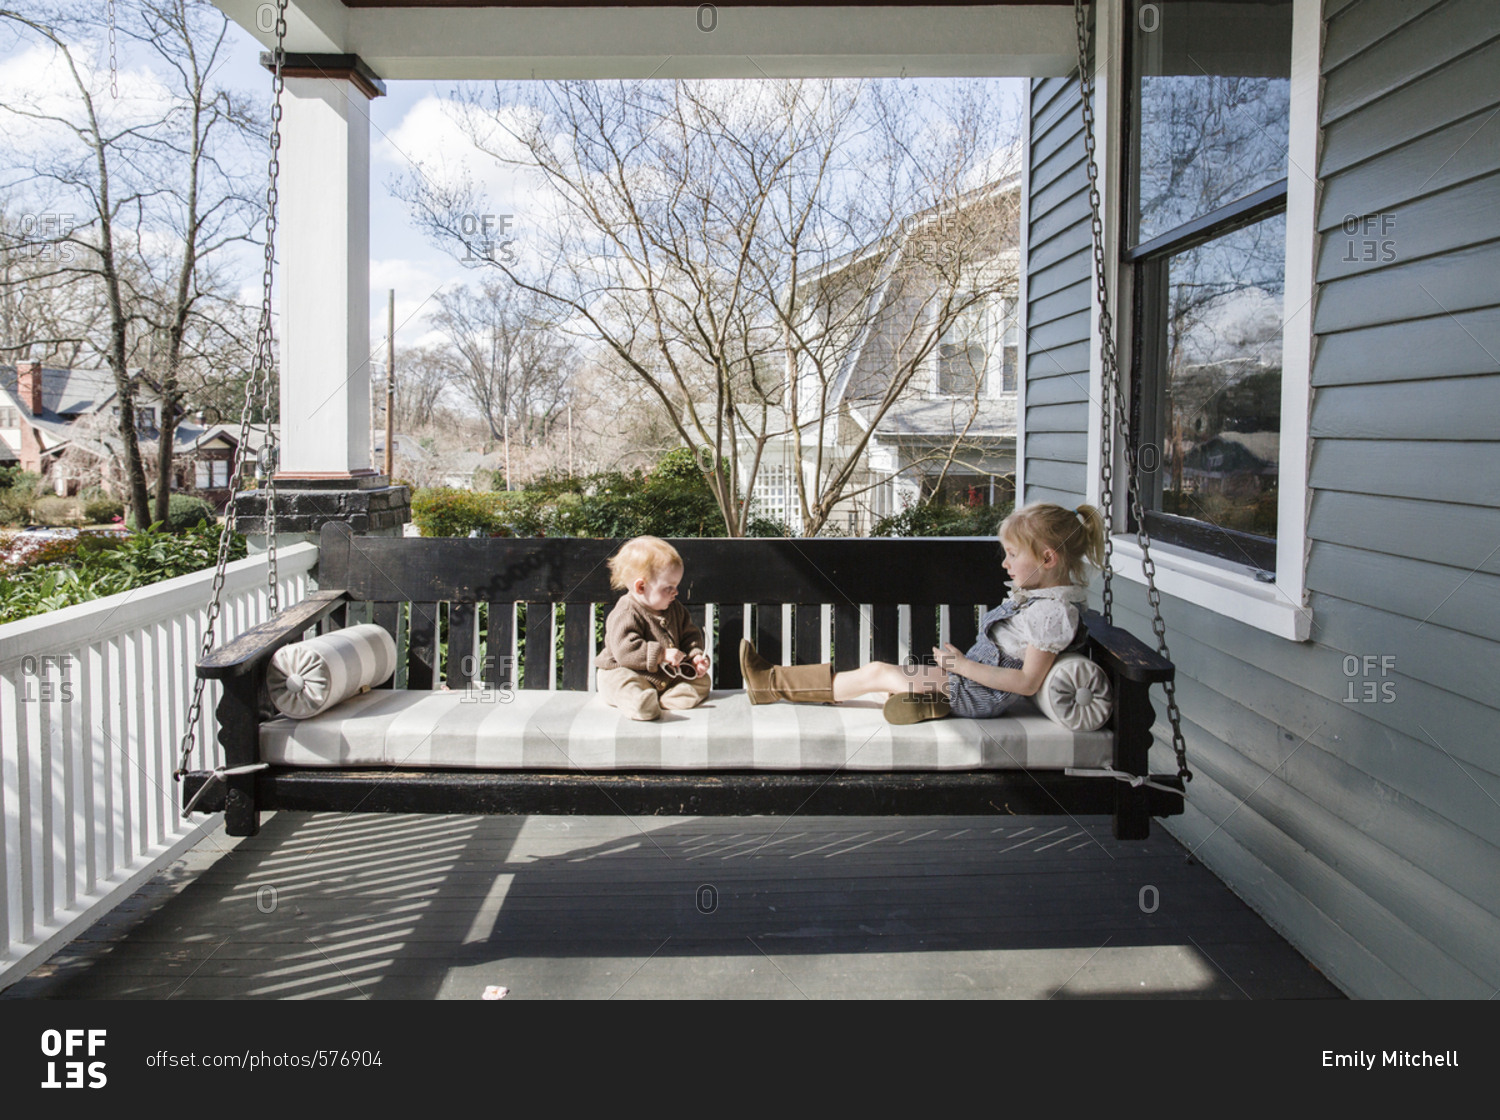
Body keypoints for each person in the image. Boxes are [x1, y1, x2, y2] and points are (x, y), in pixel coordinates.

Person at [739, 503, 1106, 724]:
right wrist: (958, 667)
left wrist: (960, 666)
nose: (1006, 564)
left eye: (1012, 554)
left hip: (973, 694)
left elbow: (1027, 682)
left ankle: (769, 683)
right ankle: (925, 702)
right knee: (885, 680)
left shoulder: (1052, 614)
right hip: (966, 685)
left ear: (1047, 557)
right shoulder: (1041, 600)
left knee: (877, 673)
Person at [595, 535, 712, 721]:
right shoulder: (626, 611)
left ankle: (669, 699)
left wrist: (695, 656)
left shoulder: (675, 609)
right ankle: (640, 704)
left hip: (665, 677)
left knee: (703, 681)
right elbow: (625, 650)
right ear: (641, 587)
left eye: (676, 586)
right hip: (626, 670)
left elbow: (690, 636)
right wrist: (662, 655)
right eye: (669, 587)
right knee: (621, 683)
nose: (676, 592)